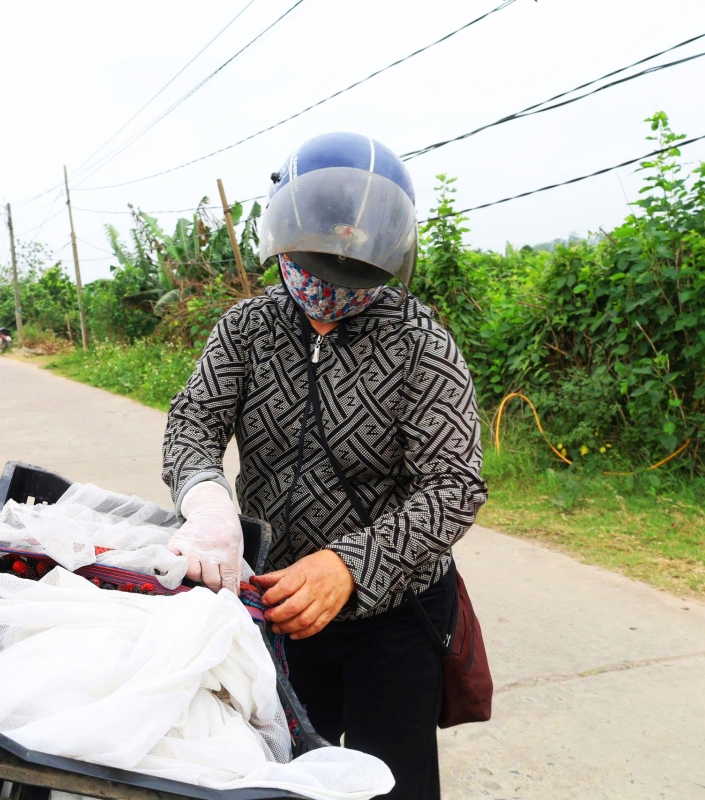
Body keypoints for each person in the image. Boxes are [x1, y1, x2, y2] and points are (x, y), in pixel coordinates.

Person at [162, 132, 487, 800]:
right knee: (268, 782)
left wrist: (350, 566)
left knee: (390, 789)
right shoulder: (247, 330)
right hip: (272, 612)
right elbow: (192, 424)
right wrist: (207, 503)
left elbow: (454, 484)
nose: (330, 280)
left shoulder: (421, 342)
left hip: (393, 620)